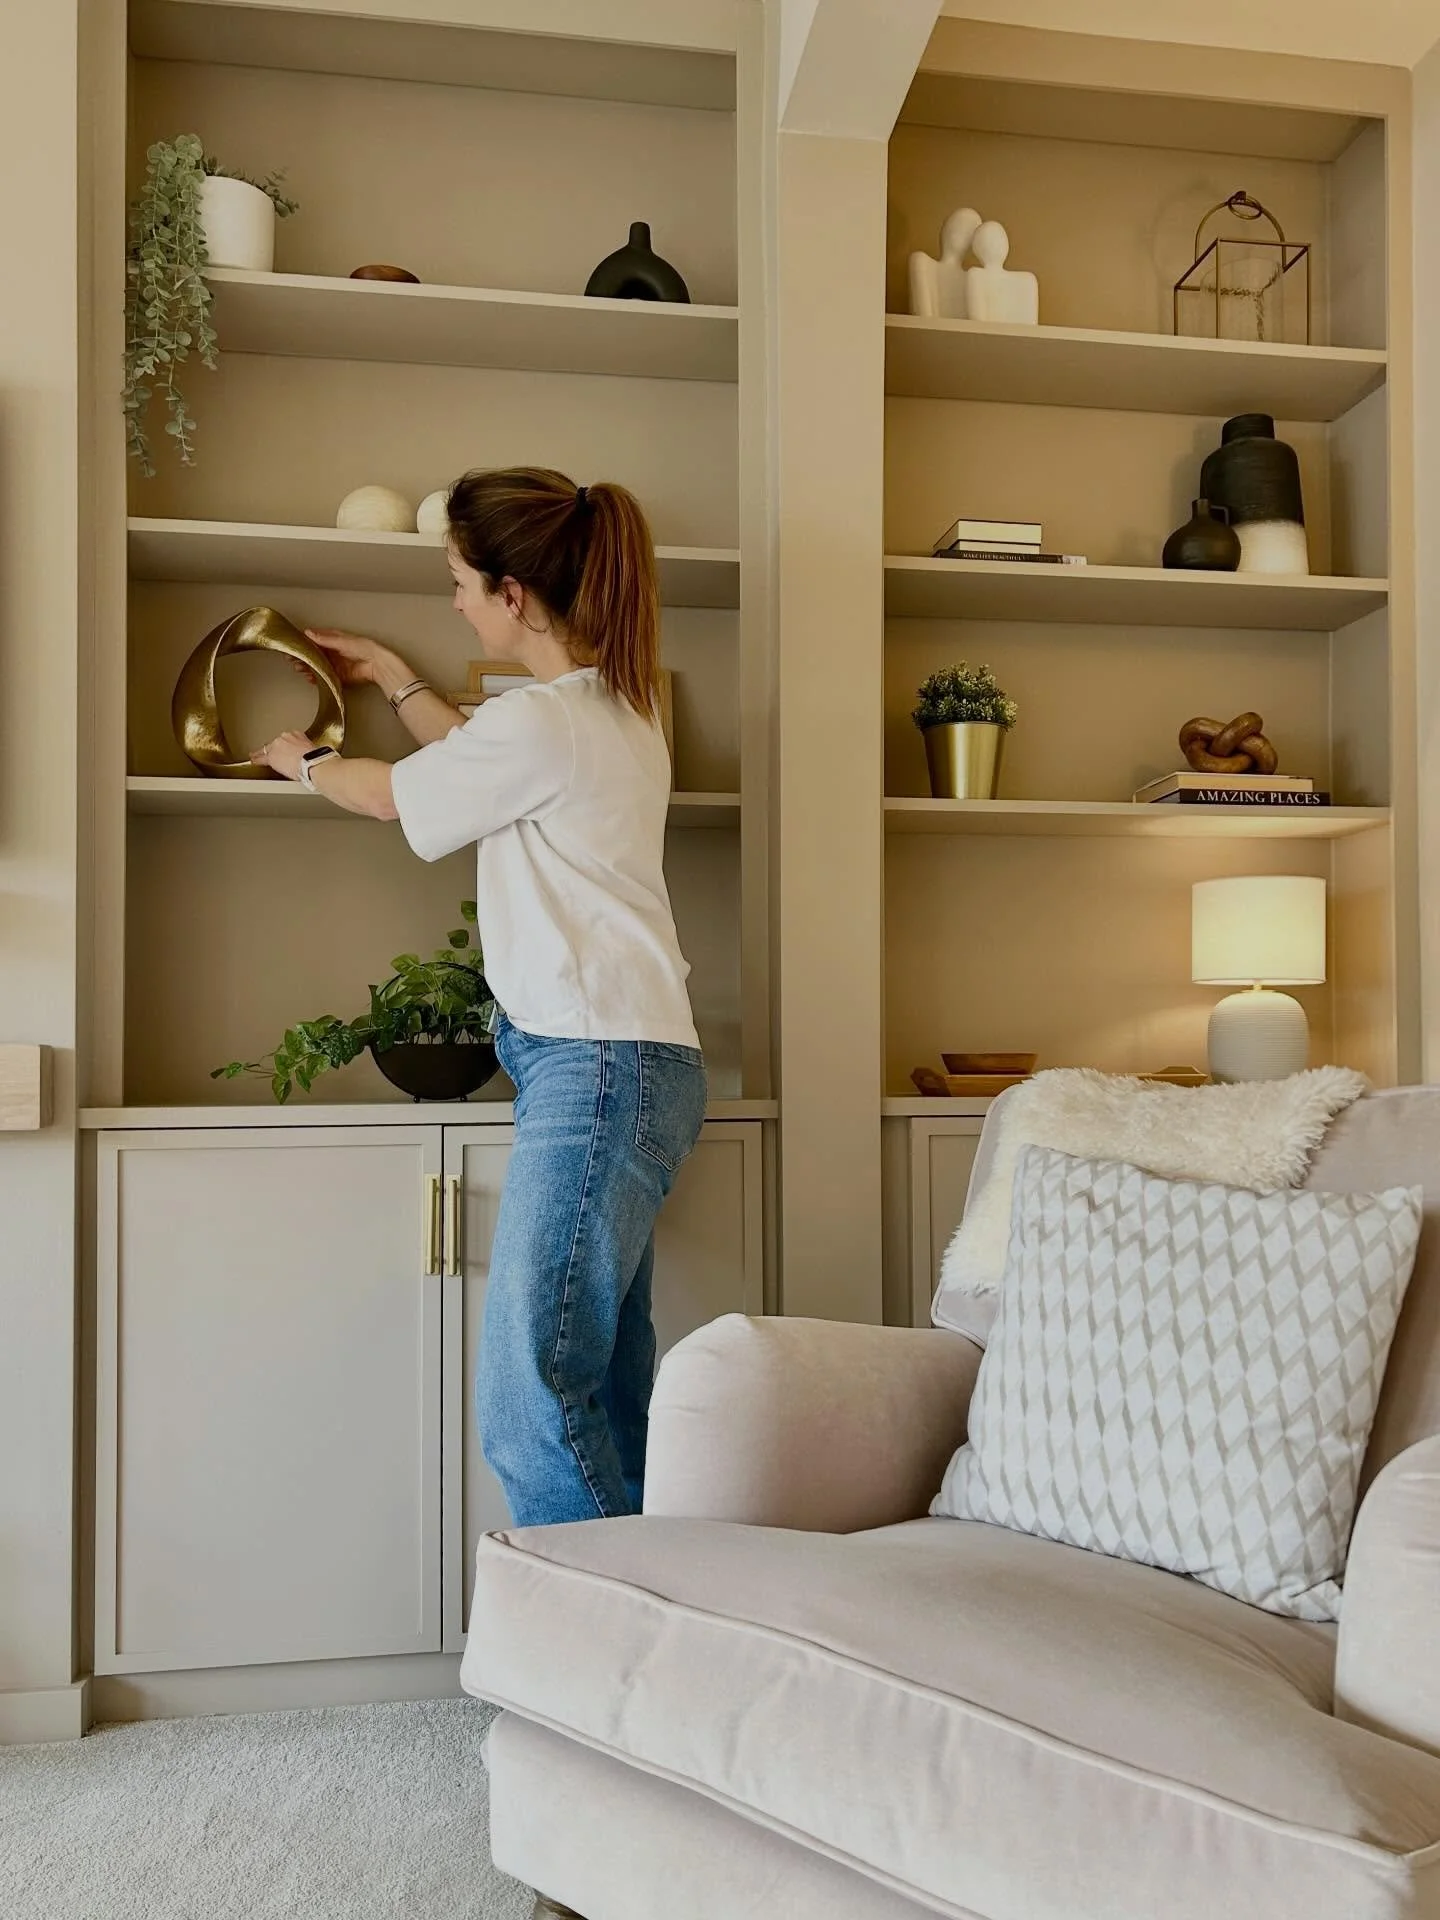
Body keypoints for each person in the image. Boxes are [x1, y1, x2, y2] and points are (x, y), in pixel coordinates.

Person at [254, 466, 707, 1527]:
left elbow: (389, 797)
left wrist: (302, 757)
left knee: (526, 1396)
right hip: (632, 1064)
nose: (455, 599)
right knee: (599, 1386)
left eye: (460, 581)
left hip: (595, 1069)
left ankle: (601, 1648)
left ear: (512, 593)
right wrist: (398, 678)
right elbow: (474, 758)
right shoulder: (613, 711)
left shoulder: (549, 724)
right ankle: (646, 1640)